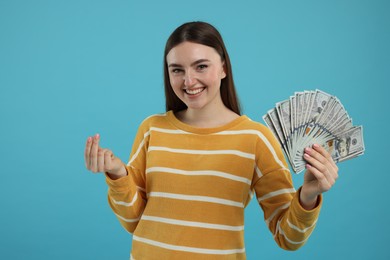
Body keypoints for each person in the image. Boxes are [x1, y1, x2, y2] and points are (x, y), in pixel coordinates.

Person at [84, 21, 338, 259]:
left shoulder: (256, 139)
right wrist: (118, 175)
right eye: (177, 70)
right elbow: (133, 221)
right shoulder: (152, 129)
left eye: (201, 66)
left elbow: (288, 239)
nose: (189, 80)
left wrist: (308, 195)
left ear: (224, 67)